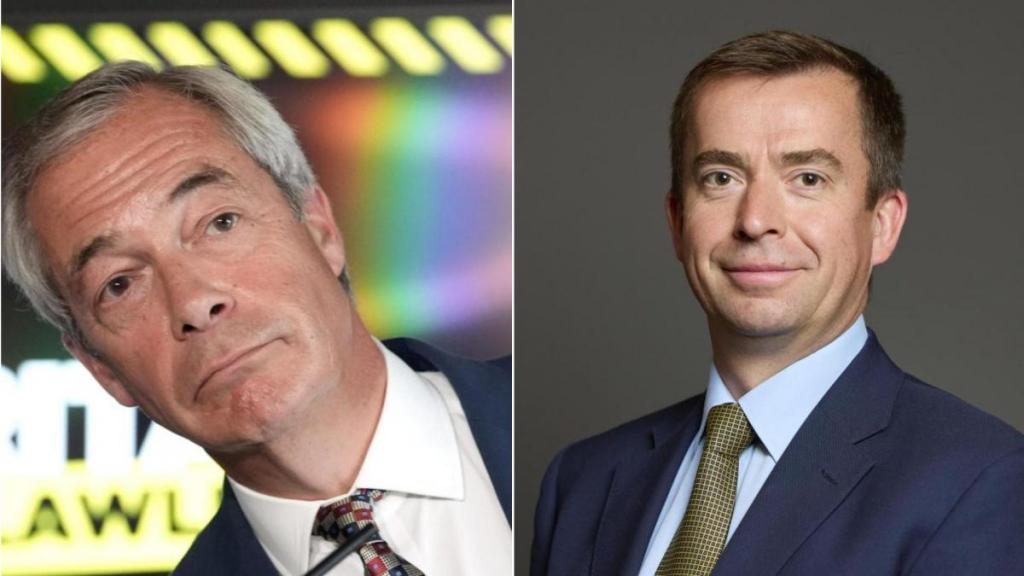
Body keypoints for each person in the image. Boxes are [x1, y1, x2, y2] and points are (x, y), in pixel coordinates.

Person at [531, 30, 1023, 576]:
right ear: (677, 222)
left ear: (882, 225)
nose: (756, 219)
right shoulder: (583, 482)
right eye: (721, 178)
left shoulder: (982, 479)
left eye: (807, 178)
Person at [1, 62, 511, 576]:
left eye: (219, 223)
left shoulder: (573, 430)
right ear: (100, 368)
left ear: (318, 230)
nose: (194, 302)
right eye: (120, 283)